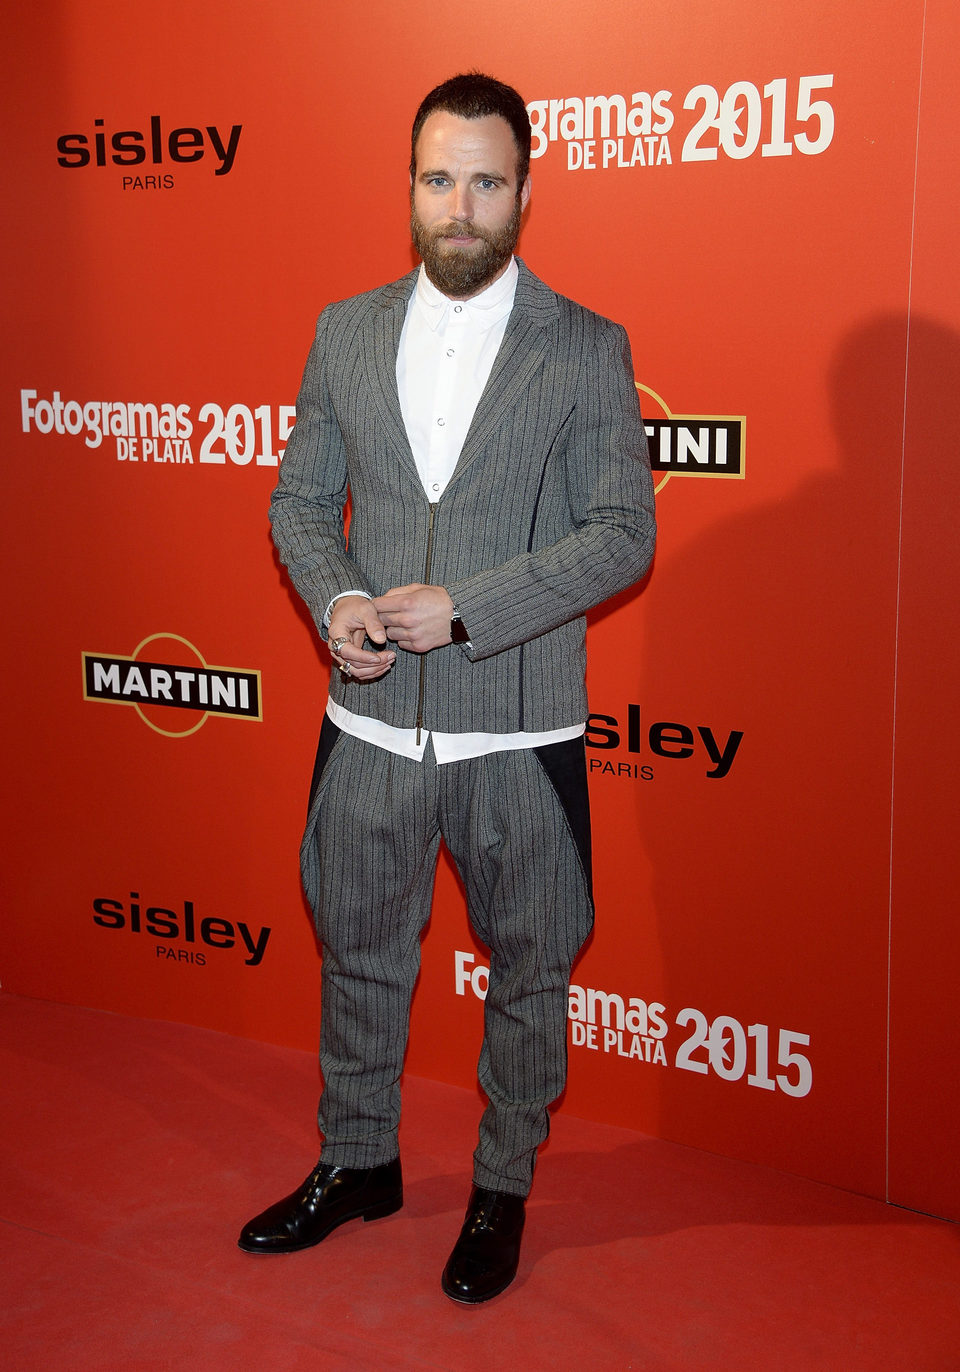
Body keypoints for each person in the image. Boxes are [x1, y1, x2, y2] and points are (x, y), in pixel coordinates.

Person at [240, 72, 656, 1304]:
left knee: (531, 969)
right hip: (365, 726)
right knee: (359, 952)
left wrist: (470, 606)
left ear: (525, 190)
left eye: (485, 180)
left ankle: (501, 1186)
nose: (460, 205)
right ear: (410, 186)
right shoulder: (344, 330)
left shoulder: (585, 347)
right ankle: (359, 1161)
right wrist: (338, 603)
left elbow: (621, 535)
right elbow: (303, 503)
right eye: (438, 178)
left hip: (517, 731)